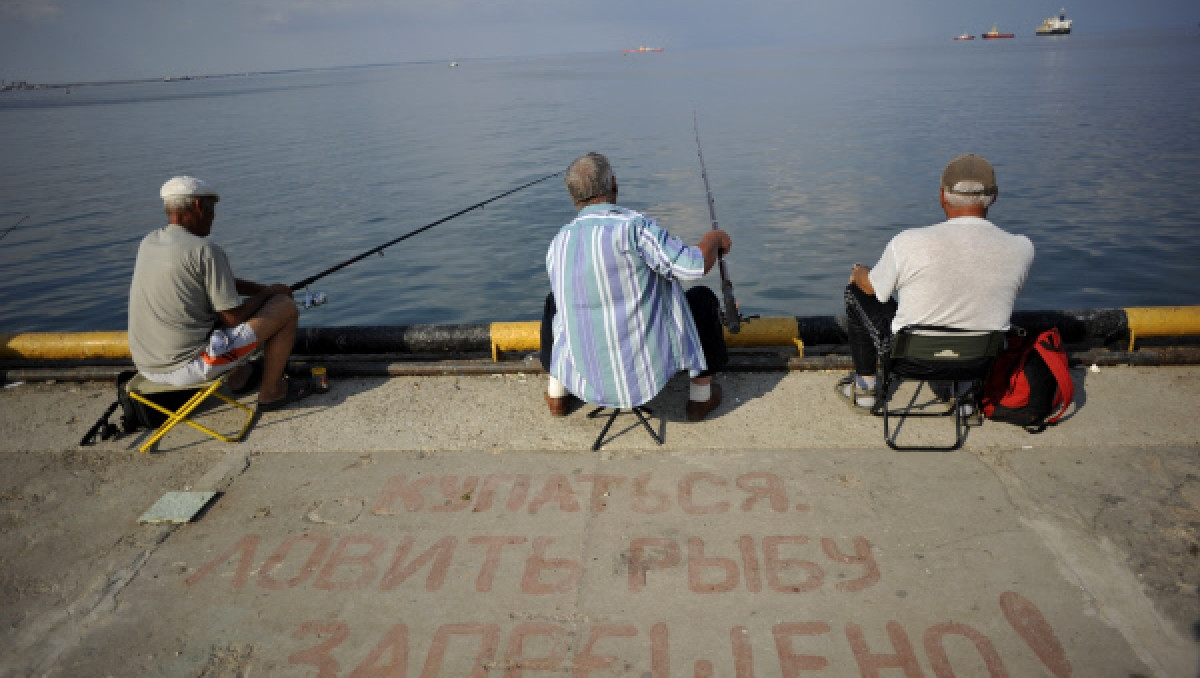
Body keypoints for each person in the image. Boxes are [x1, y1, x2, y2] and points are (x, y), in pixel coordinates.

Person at [541, 152, 731, 421]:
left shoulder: (558, 243)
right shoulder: (634, 228)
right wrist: (714, 239)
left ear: (573, 197)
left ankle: (557, 393)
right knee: (702, 298)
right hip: (645, 380)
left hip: (589, 384)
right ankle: (700, 398)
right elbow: (694, 266)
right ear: (614, 184)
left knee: (554, 301)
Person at [841, 153, 1035, 409]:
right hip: (979, 361)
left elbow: (873, 290)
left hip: (911, 359)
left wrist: (859, 272)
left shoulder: (909, 242)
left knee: (856, 291)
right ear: (995, 196)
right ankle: (963, 392)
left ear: (942, 196)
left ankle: (865, 388)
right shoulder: (1021, 248)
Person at [128, 176, 312, 411]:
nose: (213, 218)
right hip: (187, 369)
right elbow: (233, 318)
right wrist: (272, 295)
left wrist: (262, 290)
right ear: (197, 206)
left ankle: (240, 377)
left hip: (146, 366)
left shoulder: (149, 242)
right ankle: (271, 393)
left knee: (207, 314)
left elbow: (214, 282)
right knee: (285, 307)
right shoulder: (205, 250)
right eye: (212, 210)